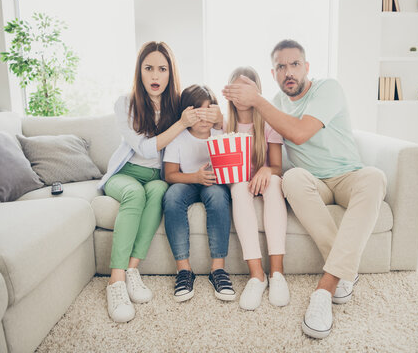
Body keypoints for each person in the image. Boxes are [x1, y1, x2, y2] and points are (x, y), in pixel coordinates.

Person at [222, 39, 387, 338]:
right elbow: (251, 135)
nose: (289, 72)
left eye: (295, 64)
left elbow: (298, 134)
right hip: (312, 182)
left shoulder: (328, 89)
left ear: (307, 67)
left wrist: (257, 100)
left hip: (348, 176)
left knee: (375, 177)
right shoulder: (274, 103)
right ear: (273, 73)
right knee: (292, 177)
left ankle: (326, 289)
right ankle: (345, 268)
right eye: (281, 66)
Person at [99, 41, 210, 323]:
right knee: (135, 195)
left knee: (160, 190)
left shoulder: (176, 105)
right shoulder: (125, 103)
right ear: (140, 71)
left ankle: (133, 270)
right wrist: (181, 124)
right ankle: (116, 280)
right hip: (125, 174)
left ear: (171, 73)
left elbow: (208, 111)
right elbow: (146, 149)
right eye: (149, 68)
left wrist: (213, 115)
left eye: (162, 69)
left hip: (155, 178)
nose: (155, 76)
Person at [162, 84, 235, 303]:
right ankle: (184, 271)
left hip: (213, 183)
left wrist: (221, 120)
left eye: (208, 112)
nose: (203, 119)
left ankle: (218, 270)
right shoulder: (178, 137)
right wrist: (195, 177)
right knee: (172, 196)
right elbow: (170, 175)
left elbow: (238, 142)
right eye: (197, 113)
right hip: (188, 181)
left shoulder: (220, 132)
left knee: (218, 196)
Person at [224, 66, 289, 311]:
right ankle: (256, 276)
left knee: (273, 183)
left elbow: (277, 167)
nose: (241, 94)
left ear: (257, 92)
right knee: (239, 188)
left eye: (246, 88)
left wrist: (266, 170)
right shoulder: (224, 124)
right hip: (242, 184)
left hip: (265, 182)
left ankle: (277, 273)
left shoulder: (268, 124)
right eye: (236, 88)